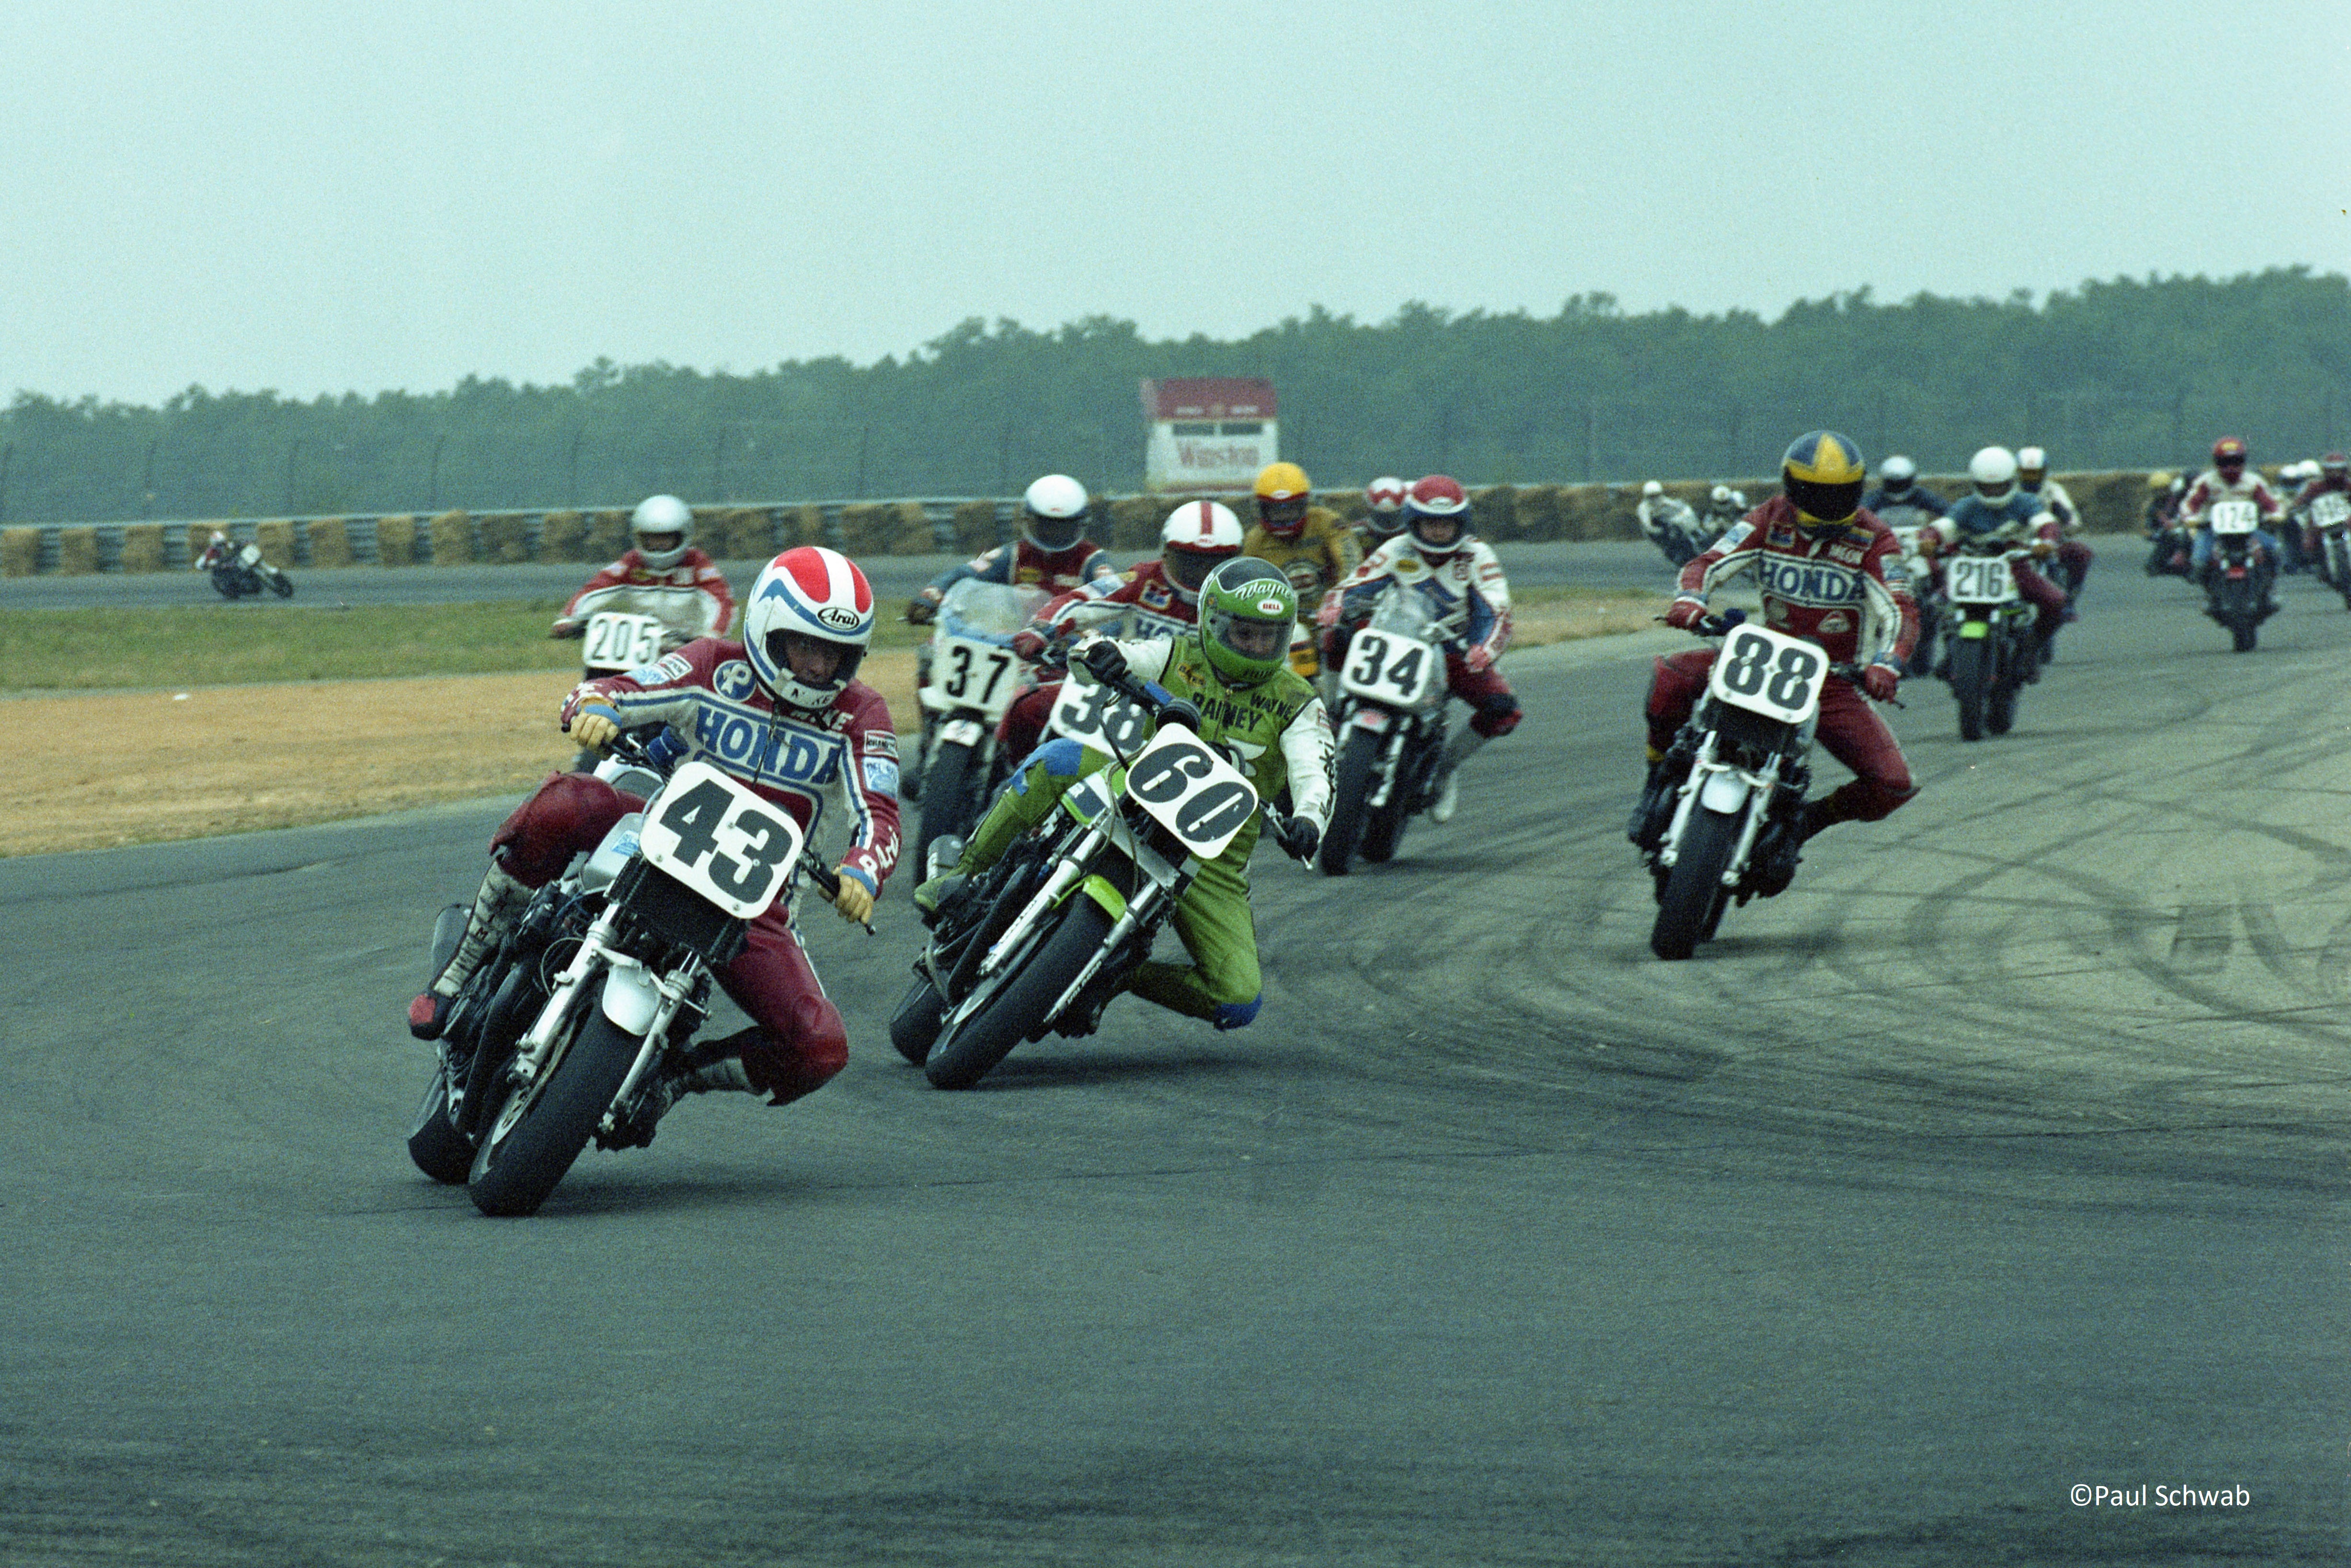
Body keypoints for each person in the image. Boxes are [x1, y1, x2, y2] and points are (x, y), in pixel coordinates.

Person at [409, 545, 898, 1142]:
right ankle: (460, 970)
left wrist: (862, 870)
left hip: (755, 898)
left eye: (835, 654)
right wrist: (594, 705)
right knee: (567, 800)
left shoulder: (862, 713)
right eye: (805, 645)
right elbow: (627, 687)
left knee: (821, 1045)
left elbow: (879, 811)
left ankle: (675, 1079)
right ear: (768, 629)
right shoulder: (714, 664)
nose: (820, 667)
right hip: (656, 832)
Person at [917, 558, 1331, 1034]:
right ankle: (964, 874)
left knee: (1237, 997)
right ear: (1214, 623)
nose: (1257, 647)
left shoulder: (1298, 700)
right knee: (1055, 759)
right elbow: (1124, 653)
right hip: (1130, 785)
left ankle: (1116, 973)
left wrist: (1309, 820)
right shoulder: (1179, 653)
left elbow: (1313, 767)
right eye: (1245, 634)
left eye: (1269, 637)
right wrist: (1101, 655)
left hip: (1210, 857)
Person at [1634, 431, 1918, 854]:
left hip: (1830, 678)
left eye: (1839, 494)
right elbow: (1709, 562)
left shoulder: (1874, 537)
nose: (1826, 505)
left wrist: (1887, 662)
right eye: (1816, 493)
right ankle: (1657, 775)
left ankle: (1807, 819)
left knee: (1892, 784)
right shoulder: (1771, 516)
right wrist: (1691, 599)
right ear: (1793, 486)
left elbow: (1901, 608)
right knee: (1669, 677)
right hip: (1756, 656)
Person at [901, 474, 1119, 795]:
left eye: (1062, 526)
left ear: (1079, 524)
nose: (1052, 533)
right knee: (929, 656)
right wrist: (932, 595)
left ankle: (1029, 769)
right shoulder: (1014, 554)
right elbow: (967, 572)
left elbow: (1112, 599)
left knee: (1047, 706)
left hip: (1054, 658)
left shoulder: (1092, 562)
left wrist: (1094, 632)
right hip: (1007, 645)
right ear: (1029, 520)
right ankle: (928, 751)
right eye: (1045, 524)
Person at [1317, 474, 1516, 824]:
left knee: (1504, 709)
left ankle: (1445, 766)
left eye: (1446, 523)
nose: (1438, 531)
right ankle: (1335, 711)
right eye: (1430, 523)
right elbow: (1355, 583)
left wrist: (1484, 649)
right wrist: (1335, 607)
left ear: (1461, 523)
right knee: (1336, 636)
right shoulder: (1397, 549)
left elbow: (1497, 609)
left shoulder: (1477, 555)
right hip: (1392, 638)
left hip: (1449, 651)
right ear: (1414, 521)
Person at [992, 500, 1246, 767]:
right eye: (1190, 561)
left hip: (1200, 709)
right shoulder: (1145, 578)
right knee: (1028, 707)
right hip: (1124, 692)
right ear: (1167, 553)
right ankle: (1017, 778)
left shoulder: (1247, 596)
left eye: (1214, 564)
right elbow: (1086, 598)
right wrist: (1043, 628)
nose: (1201, 573)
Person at [1933, 446, 2069, 671]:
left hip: (2016, 567)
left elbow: (2046, 522)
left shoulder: (2025, 502)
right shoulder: (1966, 506)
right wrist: (1929, 539)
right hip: (1971, 568)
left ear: (2012, 481)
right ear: (1976, 484)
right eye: (1987, 487)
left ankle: (2031, 647)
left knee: (2056, 601)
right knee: (1933, 606)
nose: (1994, 492)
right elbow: (1943, 526)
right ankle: (1953, 652)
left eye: (2000, 487)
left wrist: (2047, 541)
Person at [551, 494, 735, 651]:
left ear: (682, 537)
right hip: (641, 647)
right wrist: (569, 619)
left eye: (665, 538)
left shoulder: (697, 563)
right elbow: (597, 587)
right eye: (651, 539)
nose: (657, 545)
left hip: (689, 650)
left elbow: (721, 602)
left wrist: (711, 637)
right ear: (640, 538)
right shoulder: (633, 562)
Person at [1241, 461, 1360, 624]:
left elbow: (1350, 562)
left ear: (1304, 505)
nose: (1283, 517)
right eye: (1275, 511)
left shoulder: (1327, 522)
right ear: (1262, 509)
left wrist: (1339, 602)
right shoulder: (1255, 540)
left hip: (1329, 621)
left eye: (1290, 509)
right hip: (1279, 624)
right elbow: (1246, 587)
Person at [2179, 437, 2286, 605]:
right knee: (2199, 560)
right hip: (2212, 530)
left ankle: (2269, 589)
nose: (2231, 468)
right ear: (2216, 463)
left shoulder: (2254, 482)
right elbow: (2190, 504)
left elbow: (2271, 503)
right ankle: (2212, 594)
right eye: (2224, 463)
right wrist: (2190, 518)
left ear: (2244, 461)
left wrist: (2276, 514)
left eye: (2236, 462)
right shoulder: (2206, 482)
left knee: (2274, 549)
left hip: (2248, 531)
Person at [2016, 446, 2093, 610]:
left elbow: (2074, 523)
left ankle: (2070, 597)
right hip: (2017, 544)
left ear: (2044, 472)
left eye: (2035, 474)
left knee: (2082, 553)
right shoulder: (2011, 492)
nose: (2031, 479)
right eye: (2026, 474)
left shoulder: (2054, 491)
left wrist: (2064, 517)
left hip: (2049, 545)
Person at [1636, 481, 1706, 565]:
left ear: (1660, 494)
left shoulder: (1663, 500)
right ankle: (1675, 554)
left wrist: (1685, 510)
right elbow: (1647, 524)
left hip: (1667, 524)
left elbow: (1675, 505)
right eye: (1652, 496)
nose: (1655, 498)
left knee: (1678, 530)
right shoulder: (1644, 508)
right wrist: (1656, 530)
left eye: (1657, 495)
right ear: (1647, 496)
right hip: (1654, 531)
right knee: (1670, 539)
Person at [1359, 476, 1410, 550]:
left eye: (1394, 516)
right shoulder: (1357, 533)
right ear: (1368, 510)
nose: (1388, 523)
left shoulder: (1416, 533)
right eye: (1381, 517)